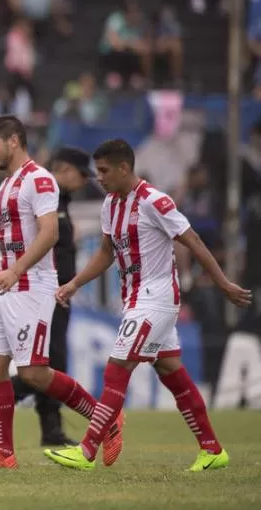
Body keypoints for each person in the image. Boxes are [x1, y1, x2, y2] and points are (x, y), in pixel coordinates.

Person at [45, 139, 252, 472]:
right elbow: (105, 253)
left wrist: (223, 283)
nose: (98, 177)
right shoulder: (111, 204)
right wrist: (74, 284)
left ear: (124, 168)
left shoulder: (156, 201)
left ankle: (85, 451)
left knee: (116, 368)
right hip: (136, 300)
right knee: (171, 372)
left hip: (156, 299)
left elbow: (193, 240)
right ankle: (212, 449)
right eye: (97, 171)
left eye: (104, 171)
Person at [0, 116, 116, 469]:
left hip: (32, 286)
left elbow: (49, 234)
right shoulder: (6, 186)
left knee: (33, 373)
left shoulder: (40, 179)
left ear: (14, 141)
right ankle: (2, 454)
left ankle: (103, 419)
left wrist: (16, 270)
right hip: (6, 288)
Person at [0, 146, 92, 446]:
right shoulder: (38, 189)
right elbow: (48, 237)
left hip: (53, 290)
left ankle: (51, 430)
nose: (88, 181)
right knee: (39, 368)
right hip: (43, 290)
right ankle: (89, 419)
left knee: (45, 366)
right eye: (83, 175)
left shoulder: (49, 195)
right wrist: (16, 272)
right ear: (65, 170)